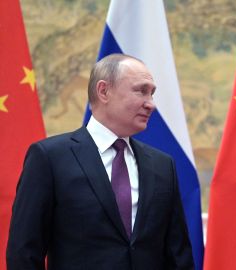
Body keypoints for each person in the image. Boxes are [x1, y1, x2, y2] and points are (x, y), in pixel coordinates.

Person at [6, 54, 194, 270]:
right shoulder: (50, 158)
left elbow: (178, 255)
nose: (150, 104)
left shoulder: (162, 165)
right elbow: (24, 252)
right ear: (104, 91)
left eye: (152, 93)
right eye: (141, 91)